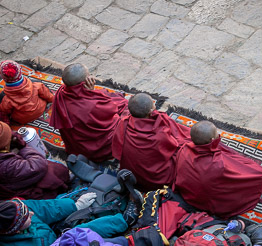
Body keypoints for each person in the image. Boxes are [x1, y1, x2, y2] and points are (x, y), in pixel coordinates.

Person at [173, 121, 262, 219]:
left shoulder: (183, 149)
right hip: (206, 203)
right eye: (217, 133)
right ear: (212, 139)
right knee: (260, 174)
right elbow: (249, 175)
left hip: (187, 195)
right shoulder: (217, 165)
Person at [50, 63, 128, 162]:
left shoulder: (59, 93)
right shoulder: (91, 105)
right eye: (89, 76)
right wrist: (92, 94)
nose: (91, 78)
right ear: (83, 83)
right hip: (96, 148)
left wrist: (90, 93)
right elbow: (112, 110)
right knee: (125, 110)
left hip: (76, 145)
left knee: (108, 95)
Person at [112, 93, 191, 192]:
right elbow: (172, 147)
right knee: (184, 155)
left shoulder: (123, 123)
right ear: (150, 112)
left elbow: (117, 150)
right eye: (153, 105)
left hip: (131, 174)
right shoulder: (159, 132)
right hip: (157, 181)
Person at [0, 194, 134, 246]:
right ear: (16, 231)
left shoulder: (13, 208)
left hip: (51, 231)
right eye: (27, 217)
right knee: (81, 232)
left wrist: (75, 206)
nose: (32, 213)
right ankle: (126, 220)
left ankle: (122, 220)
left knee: (65, 203)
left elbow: (45, 208)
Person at [0, 121, 69, 200]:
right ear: (4, 147)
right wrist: (23, 147)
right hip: (17, 192)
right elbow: (38, 165)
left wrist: (10, 135)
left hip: (11, 181)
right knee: (55, 170)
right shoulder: (7, 165)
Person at [0, 60, 54, 125]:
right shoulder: (35, 84)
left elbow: (4, 113)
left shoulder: (4, 97)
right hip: (40, 109)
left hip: (21, 119)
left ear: (3, 78)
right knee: (45, 89)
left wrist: (6, 125)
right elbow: (49, 96)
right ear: (20, 72)